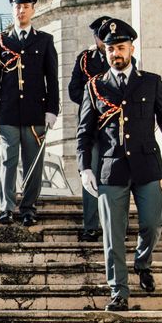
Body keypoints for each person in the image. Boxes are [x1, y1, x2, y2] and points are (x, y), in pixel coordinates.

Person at [76, 19, 162, 311]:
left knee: (152, 222)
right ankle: (119, 290)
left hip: (147, 166)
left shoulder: (151, 82)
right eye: (111, 49)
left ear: (132, 48)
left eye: (121, 47)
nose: (116, 53)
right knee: (112, 234)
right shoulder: (95, 87)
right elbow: (84, 132)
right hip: (111, 170)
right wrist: (85, 167)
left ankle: (143, 262)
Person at [0, 0, 59, 226]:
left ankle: (28, 207)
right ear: (12, 9)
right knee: (8, 161)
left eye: (25, 6)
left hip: (35, 114)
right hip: (8, 113)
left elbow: (52, 78)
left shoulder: (45, 40)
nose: (21, 10)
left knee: (33, 162)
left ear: (33, 9)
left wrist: (52, 110)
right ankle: (7, 207)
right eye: (17, 6)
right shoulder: (1, 41)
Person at [68, 15, 111, 242]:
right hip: (91, 126)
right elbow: (73, 90)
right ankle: (91, 224)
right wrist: (93, 101)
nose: (105, 40)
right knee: (90, 173)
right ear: (95, 37)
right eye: (101, 35)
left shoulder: (122, 58)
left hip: (115, 127)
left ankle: (112, 224)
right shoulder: (85, 60)